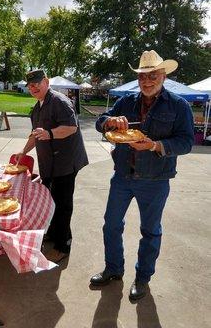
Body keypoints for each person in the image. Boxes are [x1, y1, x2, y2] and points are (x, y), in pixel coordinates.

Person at [90, 50, 194, 301]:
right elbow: (100, 122)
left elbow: (186, 142)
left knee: (150, 231)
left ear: (163, 76)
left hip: (156, 180)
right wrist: (110, 121)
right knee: (111, 225)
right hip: (123, 176)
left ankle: (142, 277)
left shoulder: (179, 106)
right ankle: (114, 269)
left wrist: (155, 146)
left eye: (153, 76)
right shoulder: (126, 102)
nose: (147, 82)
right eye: (143, 77)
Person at [15, 69, 88, 263]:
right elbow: (35, 134)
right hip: (49, 163)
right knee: (50, 201)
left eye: (37, 83)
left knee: (63, 204)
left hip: (66, 162)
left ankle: (63, 244)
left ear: (46, 82)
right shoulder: (37, 107)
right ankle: (54, 232)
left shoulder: (60, 102)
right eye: (30, 85)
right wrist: (23, 152)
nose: (33, 87)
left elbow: (71, 128)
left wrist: (50, 133)